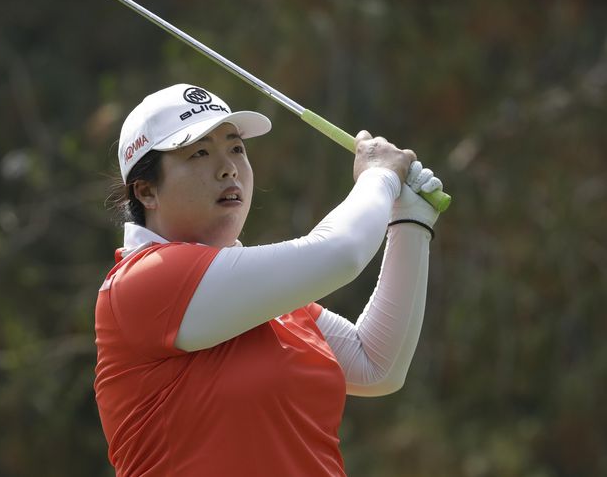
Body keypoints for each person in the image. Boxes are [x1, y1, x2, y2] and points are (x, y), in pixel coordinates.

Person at [94, 84, 443, 476]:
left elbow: (375, 364)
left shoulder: (269, 302)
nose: (228, 167)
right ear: (146, 191)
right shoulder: (142, 281)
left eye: (236, 148)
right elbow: (340, 252)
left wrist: (410, 221)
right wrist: (378, 178)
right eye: (200, 153)